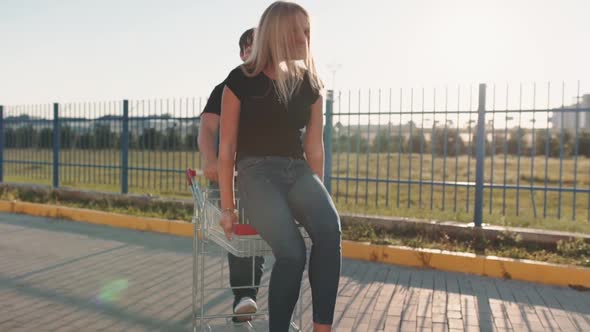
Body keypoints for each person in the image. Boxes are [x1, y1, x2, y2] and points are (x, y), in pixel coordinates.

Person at [218, 2, 341, 331]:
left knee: (330, 230)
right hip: (255, 173)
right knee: (293, 252)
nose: (304, 37)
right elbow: (227, 146)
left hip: (297, 171)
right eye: (296, 30)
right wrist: (228, 209)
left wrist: (315, 199)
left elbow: (314, 147)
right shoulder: (240, 80)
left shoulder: (311, 85)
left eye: (307, 31)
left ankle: (322, 327)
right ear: (276, 32)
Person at [197, 28, 264, 323]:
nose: (257, 51)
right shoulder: (227, 86)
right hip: (230, 176)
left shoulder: (278, 87)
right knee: (238, 232)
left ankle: (246, 297)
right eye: (251, 47)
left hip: (263, 177)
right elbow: (208, 128)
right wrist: (210, 160)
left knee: (258, 237)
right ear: (243, 52)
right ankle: (244, 297)